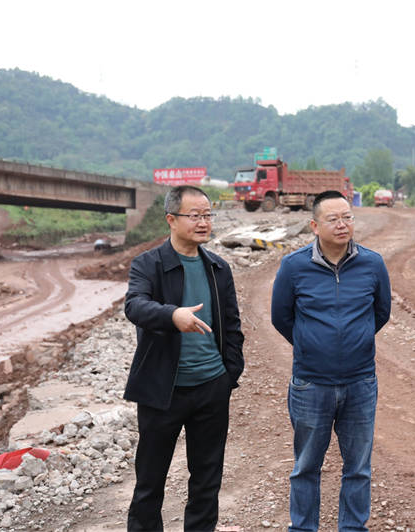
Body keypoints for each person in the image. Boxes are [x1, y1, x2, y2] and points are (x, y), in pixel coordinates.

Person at [123, 185, 245, 531]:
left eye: (207, 215)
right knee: (150, 482)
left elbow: (232, 326)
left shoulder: (218, 267)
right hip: (162, 390)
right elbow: (135, 306)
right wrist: (172, 315)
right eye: (195, 216)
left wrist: (229, 374)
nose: (203, 222)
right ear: (171, 220)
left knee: (206, 481)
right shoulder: (148, 264)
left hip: (211, 388)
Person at [271, 190, 392, 532]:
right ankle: (303, 528)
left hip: (360, 382)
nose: (342, 225)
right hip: (311, 383)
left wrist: (356, 340)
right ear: (314, 226)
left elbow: (381, 312)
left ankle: (352, 527)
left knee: (358, 467)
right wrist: (311, 344)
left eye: (347, 217)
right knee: (306, 466)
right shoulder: (294, 266)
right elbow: (281, 317)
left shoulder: (372, 264)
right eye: (333, 219)